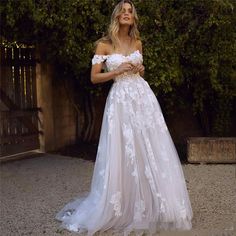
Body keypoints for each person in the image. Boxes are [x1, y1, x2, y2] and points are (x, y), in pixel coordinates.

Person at [55, 0, 193, 235]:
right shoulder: (104, 45)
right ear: (117, 15)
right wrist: (116, 71)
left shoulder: (137, 42)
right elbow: (94, 78)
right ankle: (123, 206)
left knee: (149, 147)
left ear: (133, 17)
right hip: (120, 101)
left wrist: (140, 70)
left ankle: (155, 203)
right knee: (123, 149)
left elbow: (142, 69)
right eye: (124, 10)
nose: (127, 14)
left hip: (143, 99)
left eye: (131, 11)